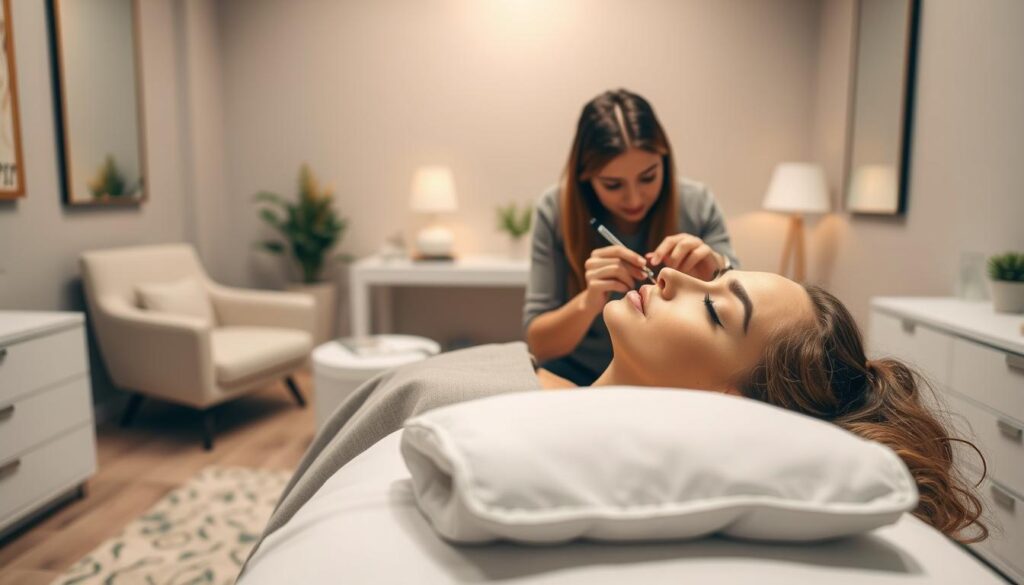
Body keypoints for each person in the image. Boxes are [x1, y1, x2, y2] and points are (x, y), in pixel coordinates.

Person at [525, 88, 739, 385]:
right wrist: (588, 302)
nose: (634, 198)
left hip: (672, 381)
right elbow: (538, 344)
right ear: (585, 177)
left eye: (648, 177)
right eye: (613, 184)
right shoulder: (555, 210)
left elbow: (742, 329)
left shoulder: (697, 205)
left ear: (665, 159)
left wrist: (718, 270)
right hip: (573, 380)